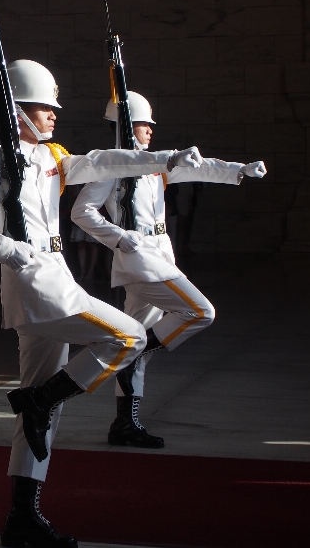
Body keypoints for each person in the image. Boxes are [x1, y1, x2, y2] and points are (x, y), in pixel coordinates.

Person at [0, 60, 204, 546]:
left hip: (49, 283)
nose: (54, 114)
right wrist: (7, 248)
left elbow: (106, 162)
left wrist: (164, 159)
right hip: (39, 284)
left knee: (40, 412)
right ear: (18, 111)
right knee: (131, 335)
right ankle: (40, 402)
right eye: (44, 107)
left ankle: (22, 514)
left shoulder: (51, 157)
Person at [71, 91, 266, 449]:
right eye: (143, 124)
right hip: (139, 259)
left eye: (150, 125)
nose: (149, 131)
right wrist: (116, 237)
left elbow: (199, 167)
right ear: (126, 128)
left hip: (160, 254)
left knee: (137, 336)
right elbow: (82, 212)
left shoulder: (156, 164)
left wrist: (238, 170)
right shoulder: (112, 165)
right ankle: (139, 349)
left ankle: (124, 423)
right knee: (199, 312)